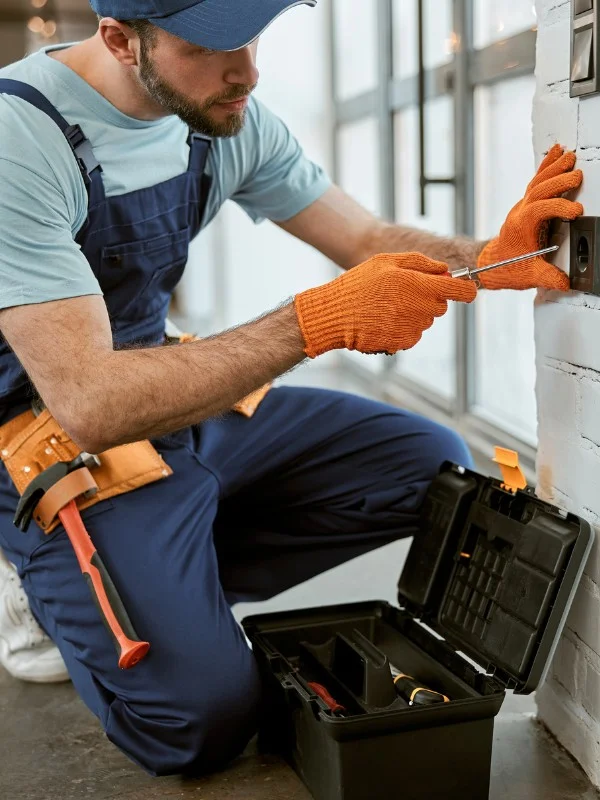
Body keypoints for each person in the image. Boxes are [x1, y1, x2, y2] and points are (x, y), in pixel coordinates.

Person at [0, 0, 583, 777]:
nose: (245, 70)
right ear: (119, 39)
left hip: (172, 399)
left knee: (429, 465)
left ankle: (165, 580)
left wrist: (489, 256)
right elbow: (90, 401)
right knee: (199, 722)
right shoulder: (20, 140)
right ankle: (45, 590)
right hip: (56, 436)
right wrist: (311, 324)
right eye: (209, 46)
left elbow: (365, 239)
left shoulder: (219, 112)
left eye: (251, 37)